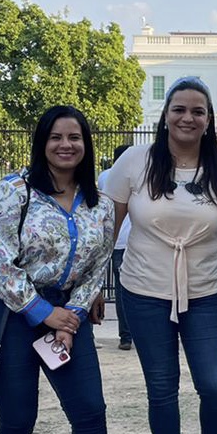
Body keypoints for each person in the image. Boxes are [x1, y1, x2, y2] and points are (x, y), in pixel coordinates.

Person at [102, 76, 217, 434]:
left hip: (205, 292)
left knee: (216, 388)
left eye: (197, 111)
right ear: (165, 115)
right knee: (161, 390)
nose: (187, 117)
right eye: (179, 109)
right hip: (144, 292)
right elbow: (105, 232)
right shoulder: (135, 162)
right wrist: (88, 289)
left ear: (208, 120)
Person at [0, 105, 116, 434]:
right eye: (56, 137)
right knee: (18, 416)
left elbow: (98, 267)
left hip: (69, 319)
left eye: (74, 137)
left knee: (90, 412)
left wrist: (70, 316)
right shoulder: (13, 191)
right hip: (16, 313)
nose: (66, 145)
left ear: (86, 145)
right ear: (42, 143)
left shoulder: (101, 203)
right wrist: (40, 312)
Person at [96, 144, 133, 350]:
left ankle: (125, 336)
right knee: (132, 289)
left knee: (116, 289)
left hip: (111, 238)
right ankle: (131, 333)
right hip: (130, 239)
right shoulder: (136, 174)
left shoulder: (104, 176)